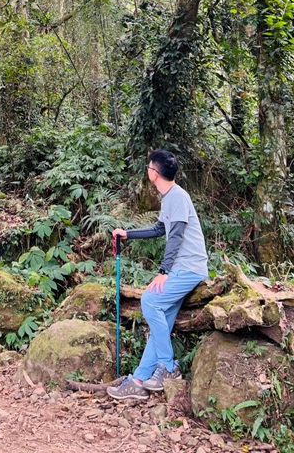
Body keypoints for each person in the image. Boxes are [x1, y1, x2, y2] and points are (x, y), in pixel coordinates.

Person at [107, 149, 208, 401]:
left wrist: (163, 271)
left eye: (149, 167)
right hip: (182, 268)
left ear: (154, 173)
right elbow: (159, 229)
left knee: (150, 301)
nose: (147, 170)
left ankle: (169, 367)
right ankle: (140, 380)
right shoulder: (170, 198)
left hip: (190, 267)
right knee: (158, 321)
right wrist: (127, 234)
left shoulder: (178, 197)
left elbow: (176, 236)